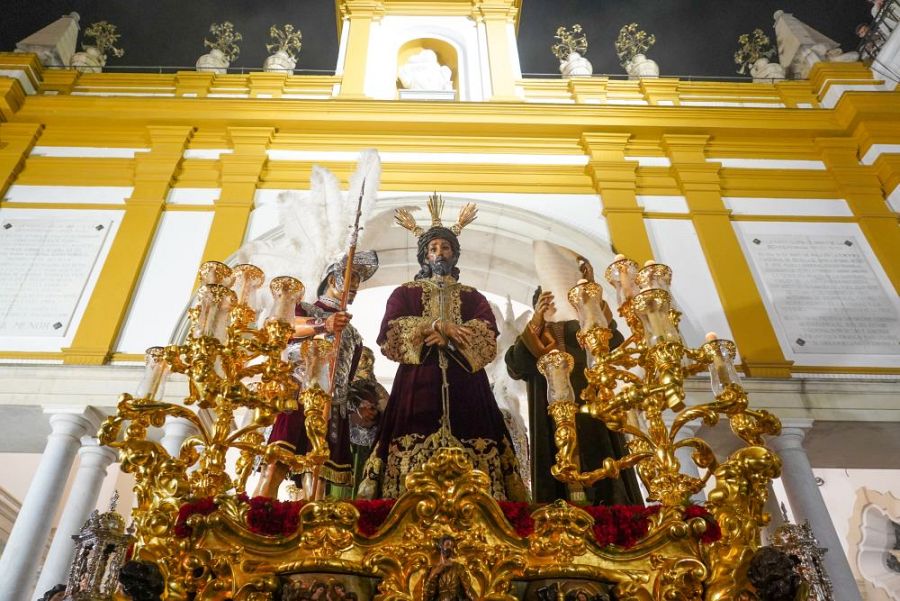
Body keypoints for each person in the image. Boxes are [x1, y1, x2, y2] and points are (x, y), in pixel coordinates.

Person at [357, 196, 527, 501]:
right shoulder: (405, 293)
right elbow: (390, 333)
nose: (439, 252)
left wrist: (451, 339)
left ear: (455, 254)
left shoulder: (472, 296)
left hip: (468, 387)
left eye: (445, 247)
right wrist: (432, 327)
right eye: (433, 248)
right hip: (417, 385)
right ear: (424, 256)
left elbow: (489, 337)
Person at [504, 256, 642, 505]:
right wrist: (536, 322)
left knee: (607, 475)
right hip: (550, 420)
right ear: (538, 306)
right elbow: (515, 365)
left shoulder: (587, 331)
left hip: (593, 416)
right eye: (546, 303)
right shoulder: (534, 336)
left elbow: (614, 348)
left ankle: (617, 517)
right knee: (556, 474)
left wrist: (591, 302)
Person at [255, 251, 379, 499]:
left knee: (319, 470)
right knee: (278, 459)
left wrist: (356, 404)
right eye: (350, 278)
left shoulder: (353, 335)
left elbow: (347, 377)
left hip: (333, 406)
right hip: (299, 392)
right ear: (332, 280)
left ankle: (309, 520)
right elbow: (280, 326)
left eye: (357, 281)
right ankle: (258, 513)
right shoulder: (306, 308)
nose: (354, 286)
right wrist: (323, 324)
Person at [347, 346, 389, 493]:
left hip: (370, 445)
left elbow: (389, 411)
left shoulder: (377, 388)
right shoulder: (343, 387)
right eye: (364, 358)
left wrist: (377, 412)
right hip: (347, 444)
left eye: (371, 359)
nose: (369, 362)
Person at [422, 536, 476, 601]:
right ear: (441, 546)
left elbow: (468, 588)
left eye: (452, 546)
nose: (449, 548)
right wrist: (433, 574)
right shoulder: (432, 569)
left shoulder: (458, 567)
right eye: (447, 544)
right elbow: (427, 594)